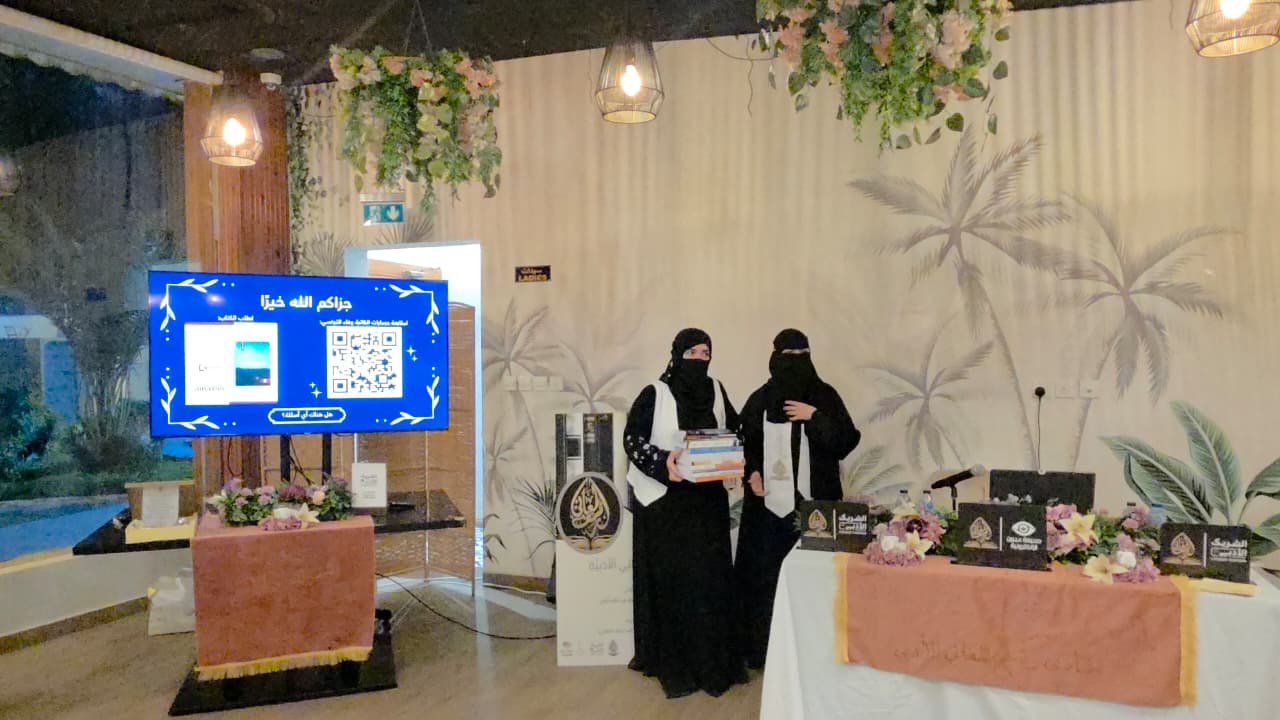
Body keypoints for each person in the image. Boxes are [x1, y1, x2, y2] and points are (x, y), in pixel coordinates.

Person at [624, 328, 747, 698]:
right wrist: (664, 462)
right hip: (667, 505)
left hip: (707, 504)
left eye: (705, 353)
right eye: (692, 352)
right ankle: (675, 663)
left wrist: (735, 457)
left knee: (709, 581)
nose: (699, 359)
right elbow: (632, 439)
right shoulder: (655, 393)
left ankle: (710, 661)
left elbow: (735, 430)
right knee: (675, 583)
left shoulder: (717, 390)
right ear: (677, 354)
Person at [734, 329, 861, 669]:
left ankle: (818, 654)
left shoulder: (824, 396)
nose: (795, 364)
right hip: (766, 512)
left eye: (802, 356)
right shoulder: (760, 400)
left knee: (817, 582)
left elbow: (846, 441)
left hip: (817, 510)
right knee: (765, 580)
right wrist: (752, 474)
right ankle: (763, 652)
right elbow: (743, 446)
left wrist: (814, 416)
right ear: (774, 358)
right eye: (788, 357)